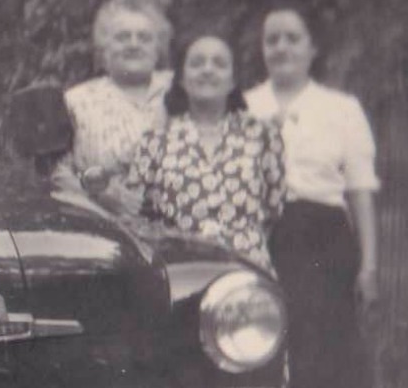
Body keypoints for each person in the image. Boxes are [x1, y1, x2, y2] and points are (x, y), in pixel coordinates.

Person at [243, 1, 382, 388]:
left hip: (325, 248)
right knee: (271, 376)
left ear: (311, 48)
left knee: (319, 380)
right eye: (272, 39)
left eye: (292, 38)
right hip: (262, 242)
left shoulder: (342, 109)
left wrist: (369, 264)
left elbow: (361, 192)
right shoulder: (245, 105)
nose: (281, 48)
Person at [119, 34, 285, 269]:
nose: (208, 70)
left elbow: (274, 208)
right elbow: (135, 213)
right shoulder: (155, 140)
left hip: (248, 270)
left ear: (233, 80)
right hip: (181, 269)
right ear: (183, 79)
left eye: (219, 63)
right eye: (197, 63)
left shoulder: (263, 135)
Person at [51, 0, 173, 211]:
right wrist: (99, 194)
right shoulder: (77, 101)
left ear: (158, 48)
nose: (134, 45)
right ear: (104, 48)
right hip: (105, 227)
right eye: (122, 37)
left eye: (144, 38)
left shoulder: (181, 92)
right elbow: (57, 175)